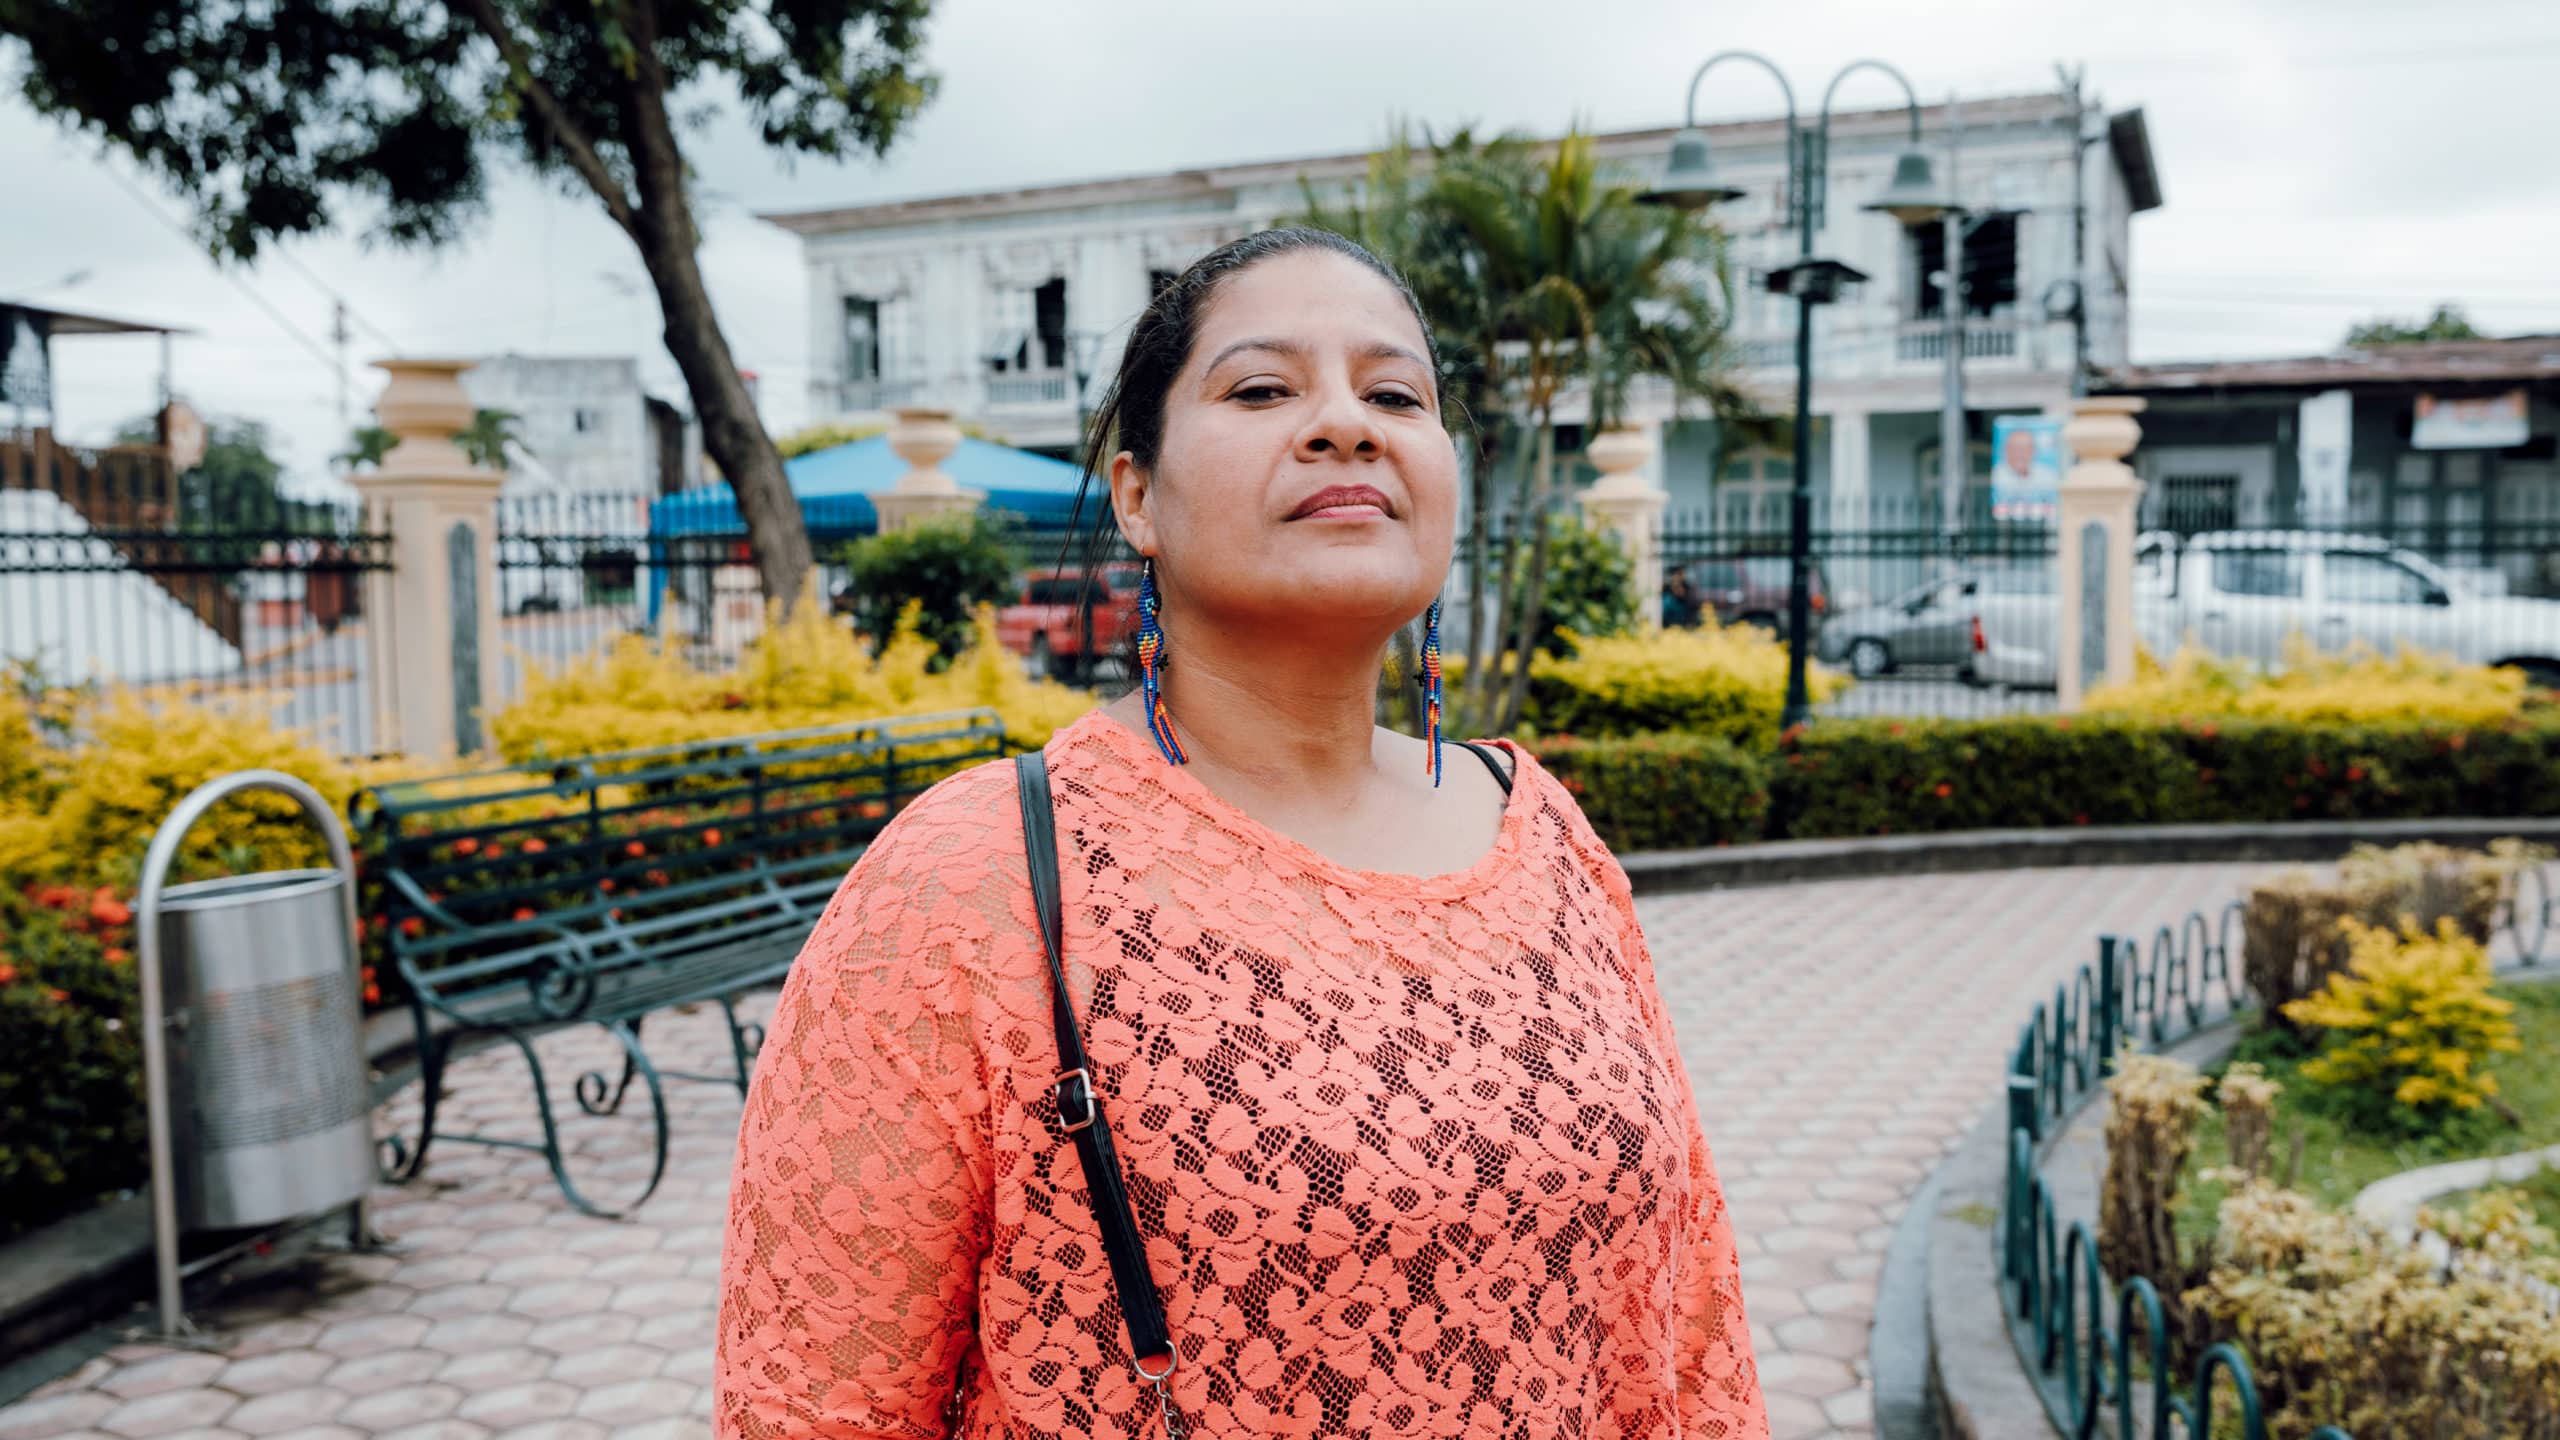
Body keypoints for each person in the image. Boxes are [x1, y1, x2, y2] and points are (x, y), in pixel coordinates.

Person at [714, 228, 1767, 1440]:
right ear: (1137, 496)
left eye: (1395, 396)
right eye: (1263, 389)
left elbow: (1692, 1328)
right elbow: (813, 1407)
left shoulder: (1546, 836)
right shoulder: (971, 880)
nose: (1346, 426)